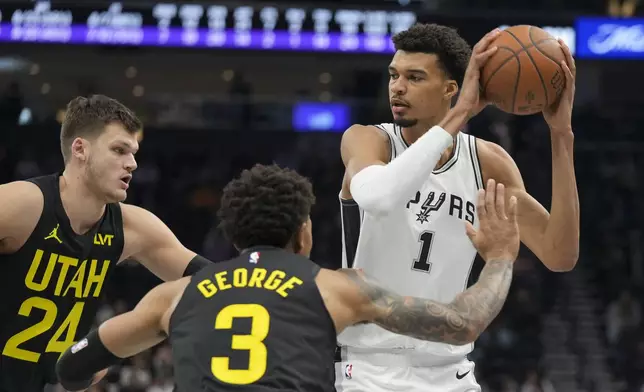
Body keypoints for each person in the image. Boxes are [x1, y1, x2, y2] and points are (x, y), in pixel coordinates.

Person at [55, 163, 519, 392]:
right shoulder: (338, 288)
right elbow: (464, 322)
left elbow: (72, 368)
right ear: (305, 232)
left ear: (233, 237)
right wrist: (500, 257)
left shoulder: (174, 295)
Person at [336, 23, 580, 391]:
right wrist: (460, 114)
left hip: (453, 370)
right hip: (371, 369)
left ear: (452, 88)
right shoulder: (369, 140)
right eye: (394, 75)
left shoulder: (487, 162)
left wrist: (561, 135)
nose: (397, 87)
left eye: (415, 77)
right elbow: (379, 197)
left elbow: (560, 254)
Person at [0, 95, 212, 392]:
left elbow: (220, 283)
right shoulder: (21, 204)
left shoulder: (132, 226)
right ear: (80, 149)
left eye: (134, 153)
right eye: (119, 150)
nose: (132, 163)